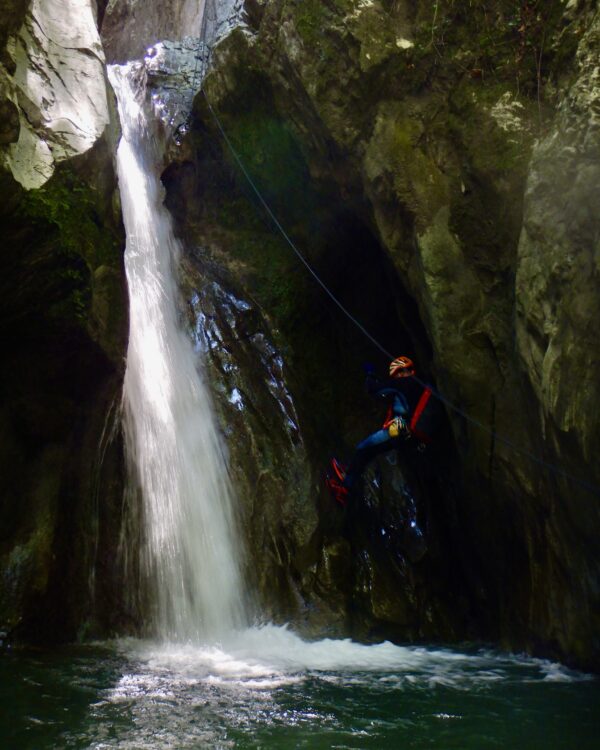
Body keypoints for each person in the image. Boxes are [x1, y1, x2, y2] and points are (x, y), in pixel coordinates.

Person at [326, 356, 437, 506]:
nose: (396, 377)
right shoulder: (419, 385)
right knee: (371, 450)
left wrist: (370, 374)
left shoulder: (404, 383)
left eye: (396, 373)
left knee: (365, 447)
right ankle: (349, 479)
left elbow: (374, 389)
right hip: (414, 435)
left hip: (402, 426)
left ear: (402, 371)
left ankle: (344, 486)